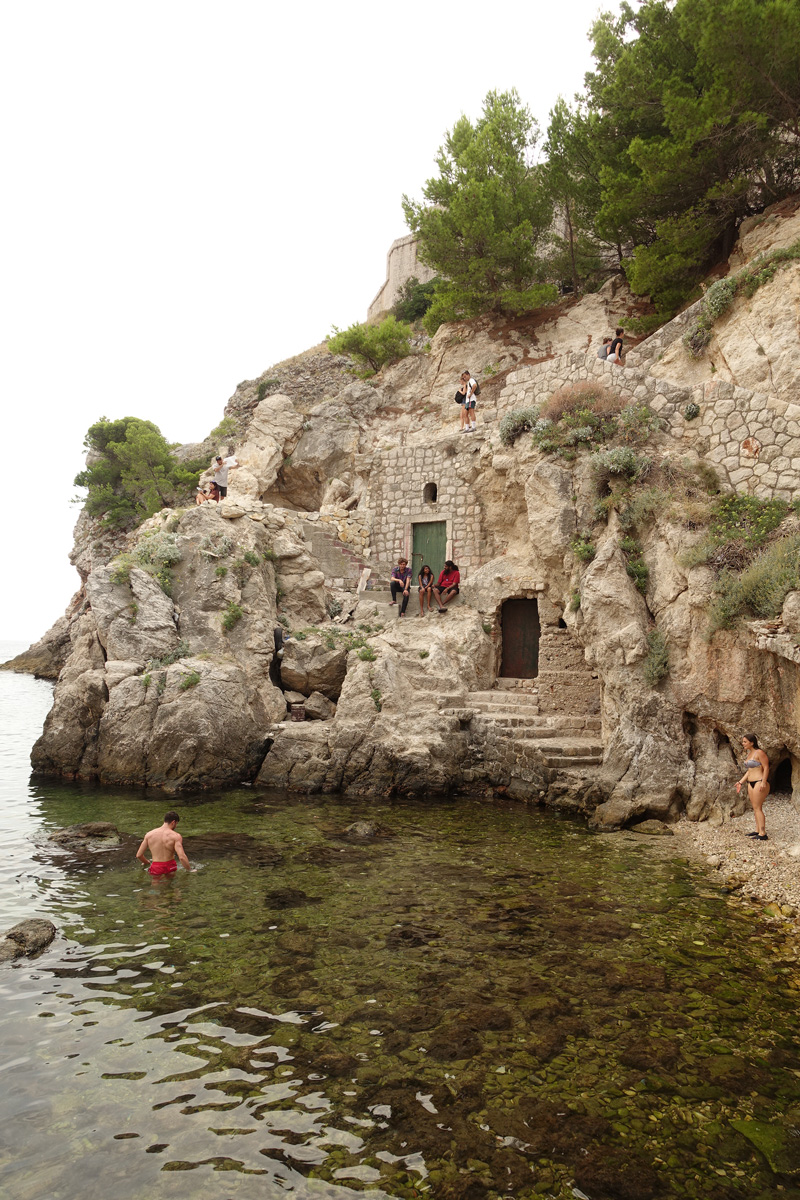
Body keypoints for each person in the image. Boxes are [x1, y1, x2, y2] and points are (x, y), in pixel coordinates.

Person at [735, 734, 770, 841]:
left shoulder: (759, 752)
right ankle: (758, 830)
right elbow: (749, 771)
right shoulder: (749, 754)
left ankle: (763, 833)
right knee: (755, 807)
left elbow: (766, 767)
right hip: (750, 782)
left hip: (759, 782)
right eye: (743, 741)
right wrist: (740, 782)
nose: (743, 743)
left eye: (745, 742)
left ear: (752, 742)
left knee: (758, 808)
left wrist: (764, 782)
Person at [136, 811, 193, 876]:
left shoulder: (149, 835)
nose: (176, 826)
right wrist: (190, 870)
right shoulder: (176, 836)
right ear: (173, 822)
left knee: (156, 885)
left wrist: (146, 862)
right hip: (170, 866)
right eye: (176, 824)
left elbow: (139, 855)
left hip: (156, 866)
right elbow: (182, 857)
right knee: (170, 884)